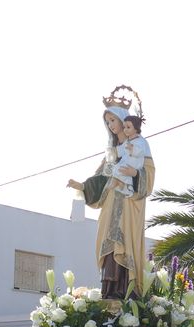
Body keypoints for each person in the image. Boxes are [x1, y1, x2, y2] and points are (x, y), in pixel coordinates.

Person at [67, 91, 155, 300]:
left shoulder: (140, 146)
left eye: (113, 120)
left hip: (129, 205)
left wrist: (135, 174)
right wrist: (82, 186)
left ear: (124, 120)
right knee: (109, 245)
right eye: (107, 122)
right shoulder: (112, 151)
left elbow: (149, 175)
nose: (111, 125)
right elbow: (100, 178)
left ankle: (127, 290)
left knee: (125, 244)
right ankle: (109, 290)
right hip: (110, 206)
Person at [109, 116, 148, 197]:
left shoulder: (140, 140)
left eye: (128, 127)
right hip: (127, 160)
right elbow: (122, 149)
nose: (125, 130)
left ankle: (125, 187)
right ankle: (121, 186)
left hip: (135, 162)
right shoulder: (128, 140)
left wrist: (133, 149)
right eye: (124, 127)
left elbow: (141, 151)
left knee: (121, 168)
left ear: (136, 128)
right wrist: (115, 151)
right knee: (117, 168)